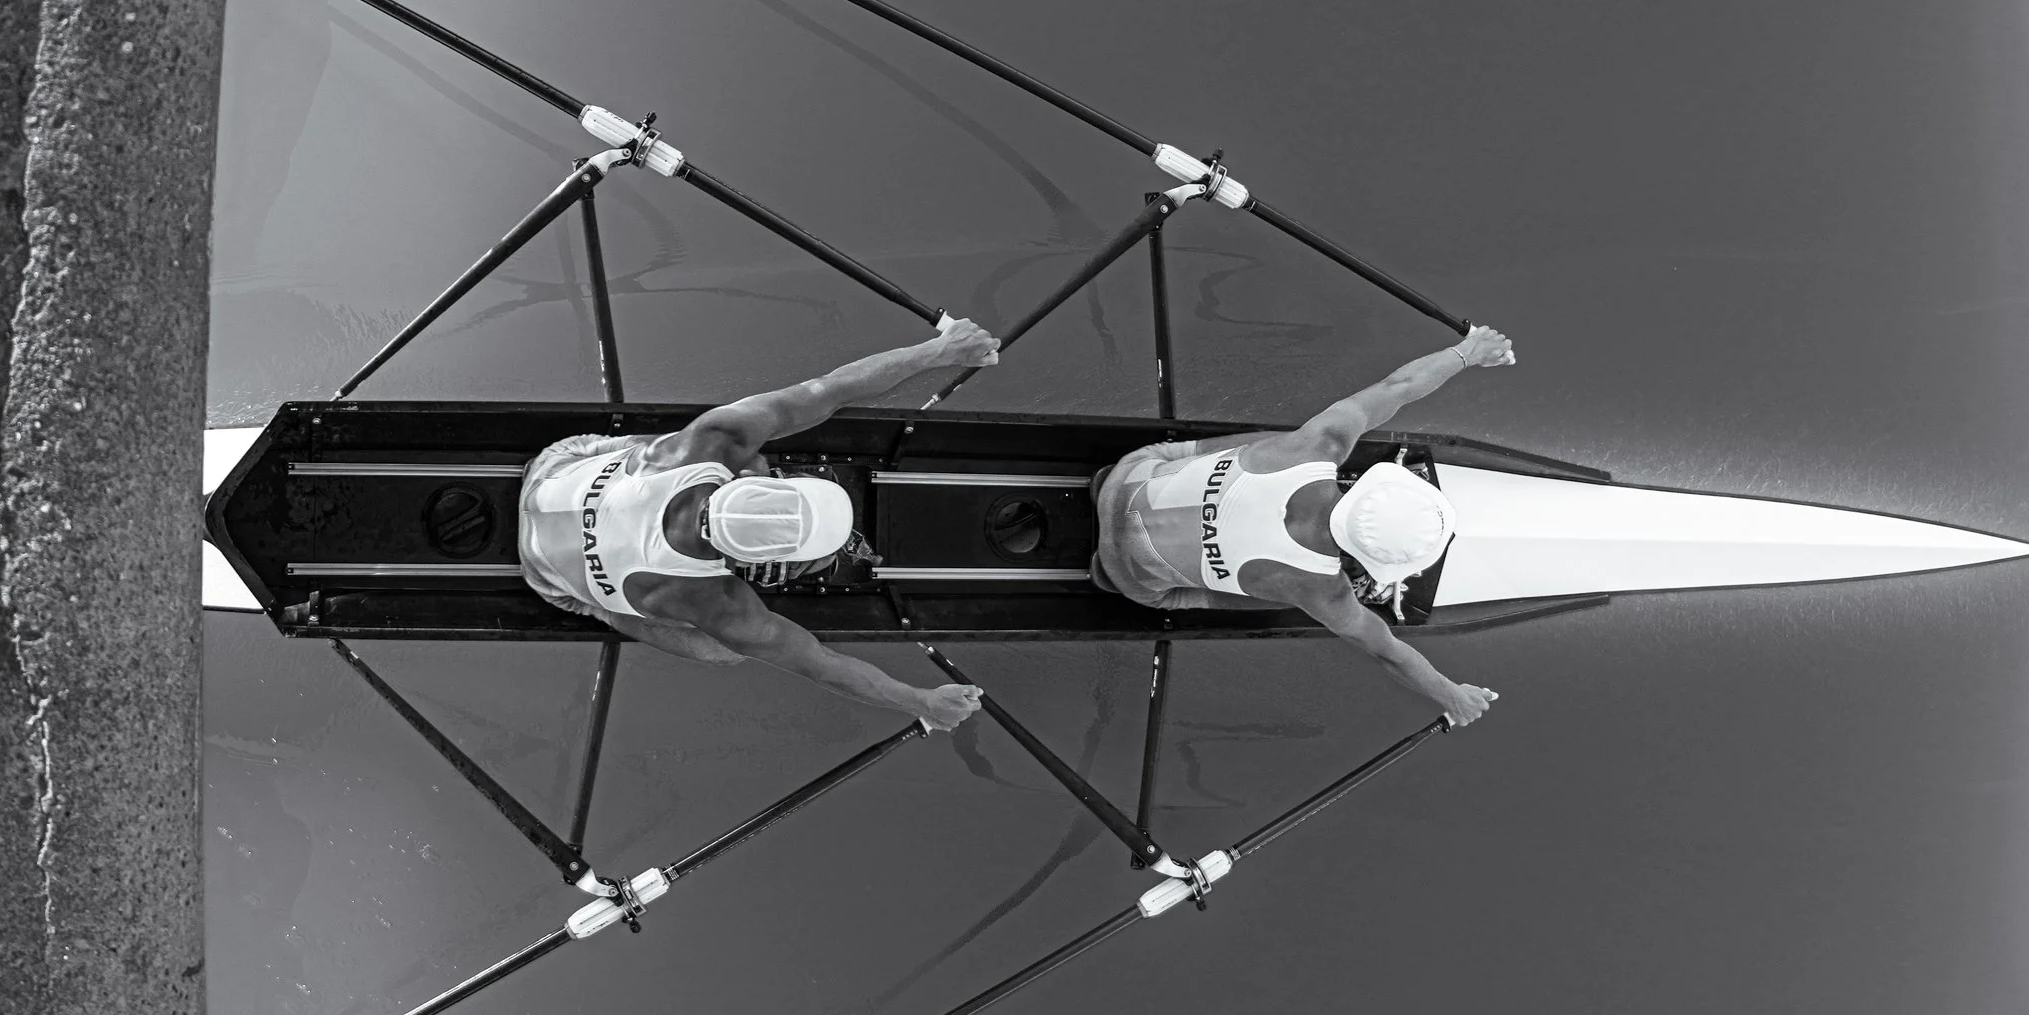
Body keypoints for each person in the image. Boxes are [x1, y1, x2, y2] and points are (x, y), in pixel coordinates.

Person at [520, 317, 1002, 730]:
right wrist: (921, 702)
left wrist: (940, 348)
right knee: (726, 652)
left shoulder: (708, 442)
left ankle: (607, 569)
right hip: (550, 580)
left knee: (727, 453)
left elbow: (830, 389)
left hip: (551, 476)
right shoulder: (717, 605)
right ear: (761, 561)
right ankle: (602, 610)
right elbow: (823, 669)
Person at [1090, 324, 1518, 726]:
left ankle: (1189, 465)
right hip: (1127, 578)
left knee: (1279, 440)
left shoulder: (1320, 444)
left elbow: (1398, 389)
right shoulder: (1327, 593)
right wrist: (1452, 697)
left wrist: (1468, 352)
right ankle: (1180, 583)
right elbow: (1389, 654)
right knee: (1290, 601)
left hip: (1124, 477)